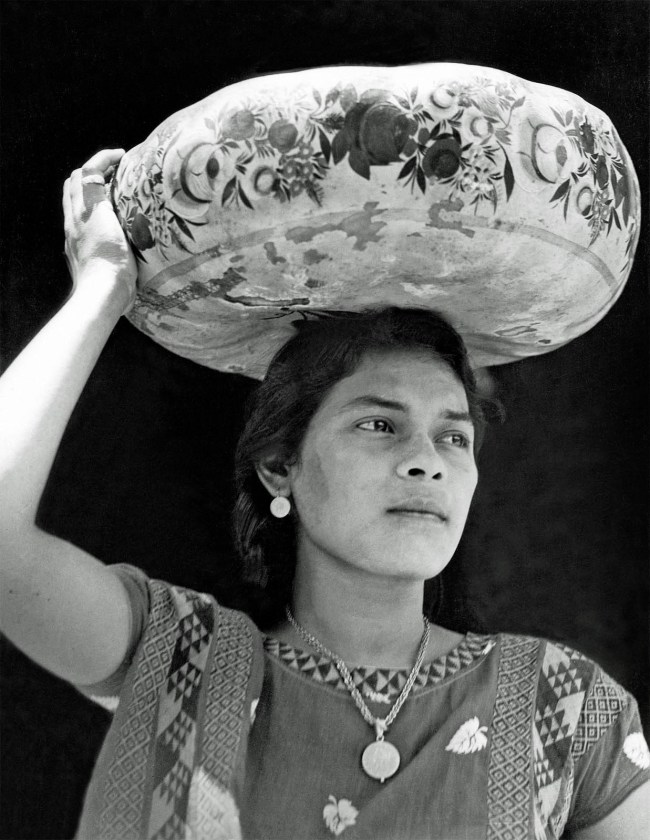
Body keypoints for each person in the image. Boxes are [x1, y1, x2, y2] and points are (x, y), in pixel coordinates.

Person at [1, 148, 649, 840]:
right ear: (280, 467)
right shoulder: (181, 666)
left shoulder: (567, 708)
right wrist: (101, 287)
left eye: (453, 438)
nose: (425, 462)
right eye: (379, 424)